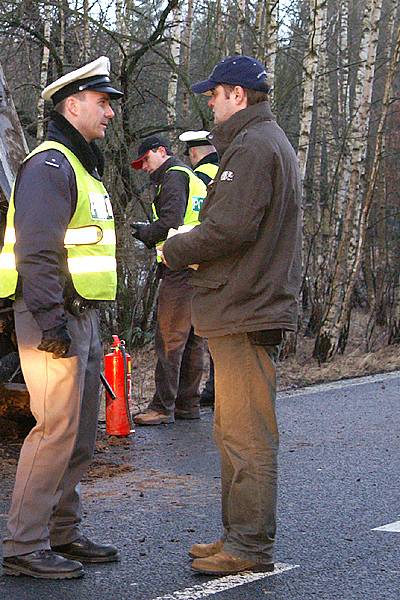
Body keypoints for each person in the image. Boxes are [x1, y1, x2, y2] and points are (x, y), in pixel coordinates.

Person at [162, 55, 302, 575]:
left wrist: (174, 248)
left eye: (215, 95)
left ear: (238, 97)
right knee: (233, 431)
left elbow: (228, 229)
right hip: (244, 303)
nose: (210, 103)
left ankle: (248, 546)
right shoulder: (260, 143)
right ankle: (237, 537)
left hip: (246, 306)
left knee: (245, 435)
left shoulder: (253, 146)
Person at [0, 56, 122, 580]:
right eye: (103, 102)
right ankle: (24, 547)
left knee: (79, 435)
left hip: (81, 315)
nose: (110, 112)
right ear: (73, 105)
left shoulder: (78, 164)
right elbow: (38, 252)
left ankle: (62, 534)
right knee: (54, 430)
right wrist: (50, 323)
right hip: (54, 318)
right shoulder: (51, 166)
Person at [129, 136, 207, 425]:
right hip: (199, 266)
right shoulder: (189, 176)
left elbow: (171, 222)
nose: (144, 168)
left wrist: (145, 233)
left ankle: (162, 408)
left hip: (180, 266)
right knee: (192, 341)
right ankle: (188, 405)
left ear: (161, 152)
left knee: (170, 340)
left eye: (146, 160)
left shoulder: (172, 177)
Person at [178, 130, 220, 407]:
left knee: (197, 334)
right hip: (225, 264)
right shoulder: (229, 171)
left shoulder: (198, 179)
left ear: (193, 153)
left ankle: (202, 393)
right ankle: (218, 388)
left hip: (197, 265)